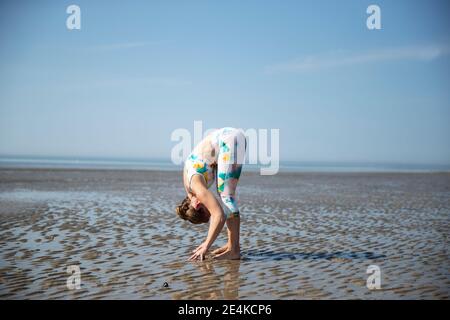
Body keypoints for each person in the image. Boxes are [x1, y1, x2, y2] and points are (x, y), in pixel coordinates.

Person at [175, 127, 246, 260]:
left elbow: (219, 215)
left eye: (207, 212)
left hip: (229, 140)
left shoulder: (197, 189)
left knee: (227, 197)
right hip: (228, 137)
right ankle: (232, 245)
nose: (210, 208)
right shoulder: (189, 189)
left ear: (197, 206)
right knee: (224, 194)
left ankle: (234, 250)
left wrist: (206, 245)